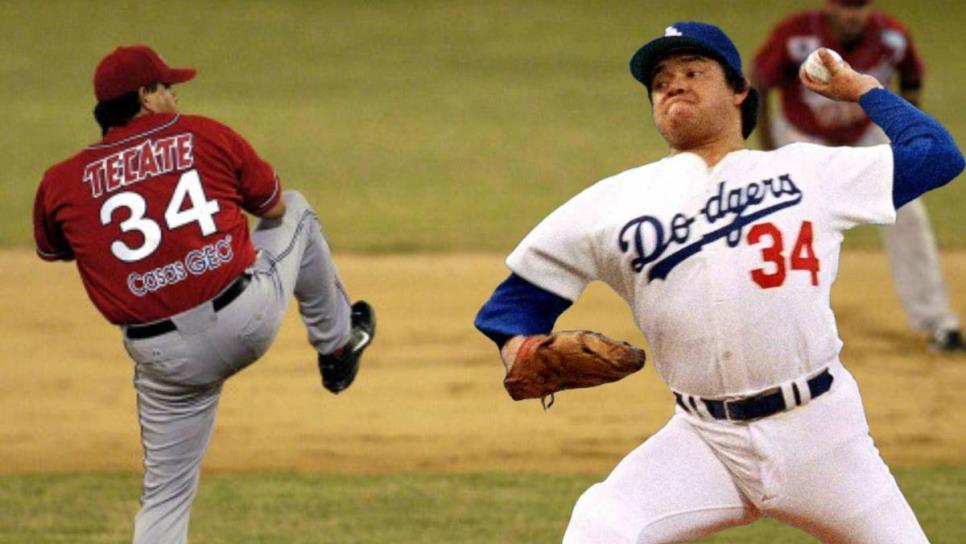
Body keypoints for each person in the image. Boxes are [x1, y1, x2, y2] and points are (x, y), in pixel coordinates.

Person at [475, 21, 962, 543]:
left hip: (822, 434)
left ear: (738, 91)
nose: (673, 84)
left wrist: (863, 90)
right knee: (601, 525)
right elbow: (516, 303)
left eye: (693, 72)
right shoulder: (610, 204)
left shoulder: (810, 173)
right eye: (660, 80)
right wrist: (519, 350)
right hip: (703, 441)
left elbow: (938, 155)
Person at [33, 45, 376, 543]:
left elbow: (56, 249)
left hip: (162, 358)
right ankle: (338, 347)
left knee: (165, 498)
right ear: (145, 97)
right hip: (244, 319)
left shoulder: (60, 181)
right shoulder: (203, 134)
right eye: (166, 87)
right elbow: (273, 205)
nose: (174, 95)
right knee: (298, 209)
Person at [752, 0, 964, 352]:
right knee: (784, 223)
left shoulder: (893, 36)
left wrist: (907, 131)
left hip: (867, 134)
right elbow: (758, 82)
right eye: (845, 6)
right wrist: (771, 153)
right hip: (802, 134)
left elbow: (911, 80)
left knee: (909, 214)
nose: (853, 14)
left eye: (860, 6)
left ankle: (937, 322)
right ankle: (770, 326)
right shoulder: (795, 34)